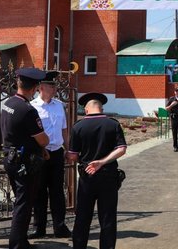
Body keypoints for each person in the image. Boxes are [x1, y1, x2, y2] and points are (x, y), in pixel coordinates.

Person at [66, 92, 127, 249]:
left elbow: (72, 155)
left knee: (83, 217)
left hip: (87, 175)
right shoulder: (113, 124)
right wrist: (102, 161)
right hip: (109, 176)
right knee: (107, 218)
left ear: (86, 109)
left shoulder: (78, 127)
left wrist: (84, 161)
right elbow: (121, 149)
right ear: (101, 107)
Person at [0, 67, 50, 249]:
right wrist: (44, 144)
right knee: (24, 203)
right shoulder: (28, 110)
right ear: (35, 87)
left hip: (10, 157)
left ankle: (21, 240)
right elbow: (42, 138)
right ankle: (17, 243)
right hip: (24, 162)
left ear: (18, 83)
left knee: (21, 200)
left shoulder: (7, 103)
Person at [30, 71, 71, 239]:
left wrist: (68, 148)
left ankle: (59, 227)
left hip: (56, 153)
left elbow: (64, 129)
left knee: (57, 192)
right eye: (51, 85)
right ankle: (39, 228)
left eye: (55, 85)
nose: (54, 88)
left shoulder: (59, 105)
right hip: (40, 153)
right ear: (41, 87)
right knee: (39, 192)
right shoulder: (32, 106)